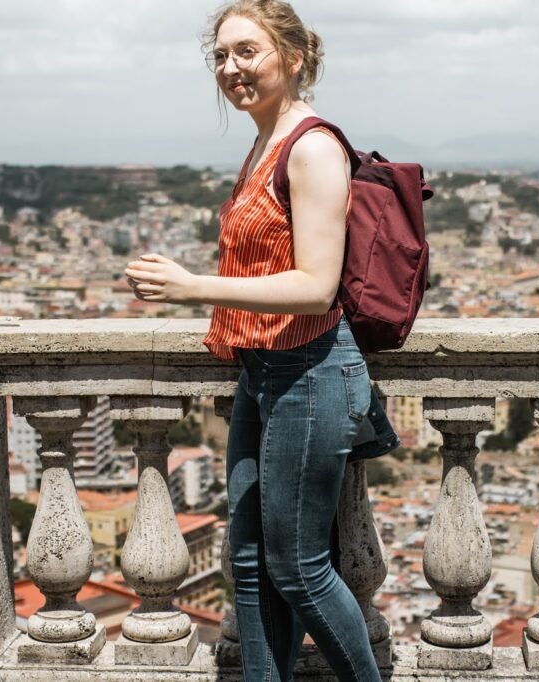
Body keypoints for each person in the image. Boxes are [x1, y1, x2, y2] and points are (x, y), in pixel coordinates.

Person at [124, 1, 398, 680]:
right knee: (248, 564)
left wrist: (193, 287)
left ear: (295, 56)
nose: (230, 68)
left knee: (299, 568)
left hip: (310, 371)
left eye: (247, 51)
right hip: (262, 372)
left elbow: (314, 286)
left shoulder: (310, 146)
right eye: (220, 55)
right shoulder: (264, 144)